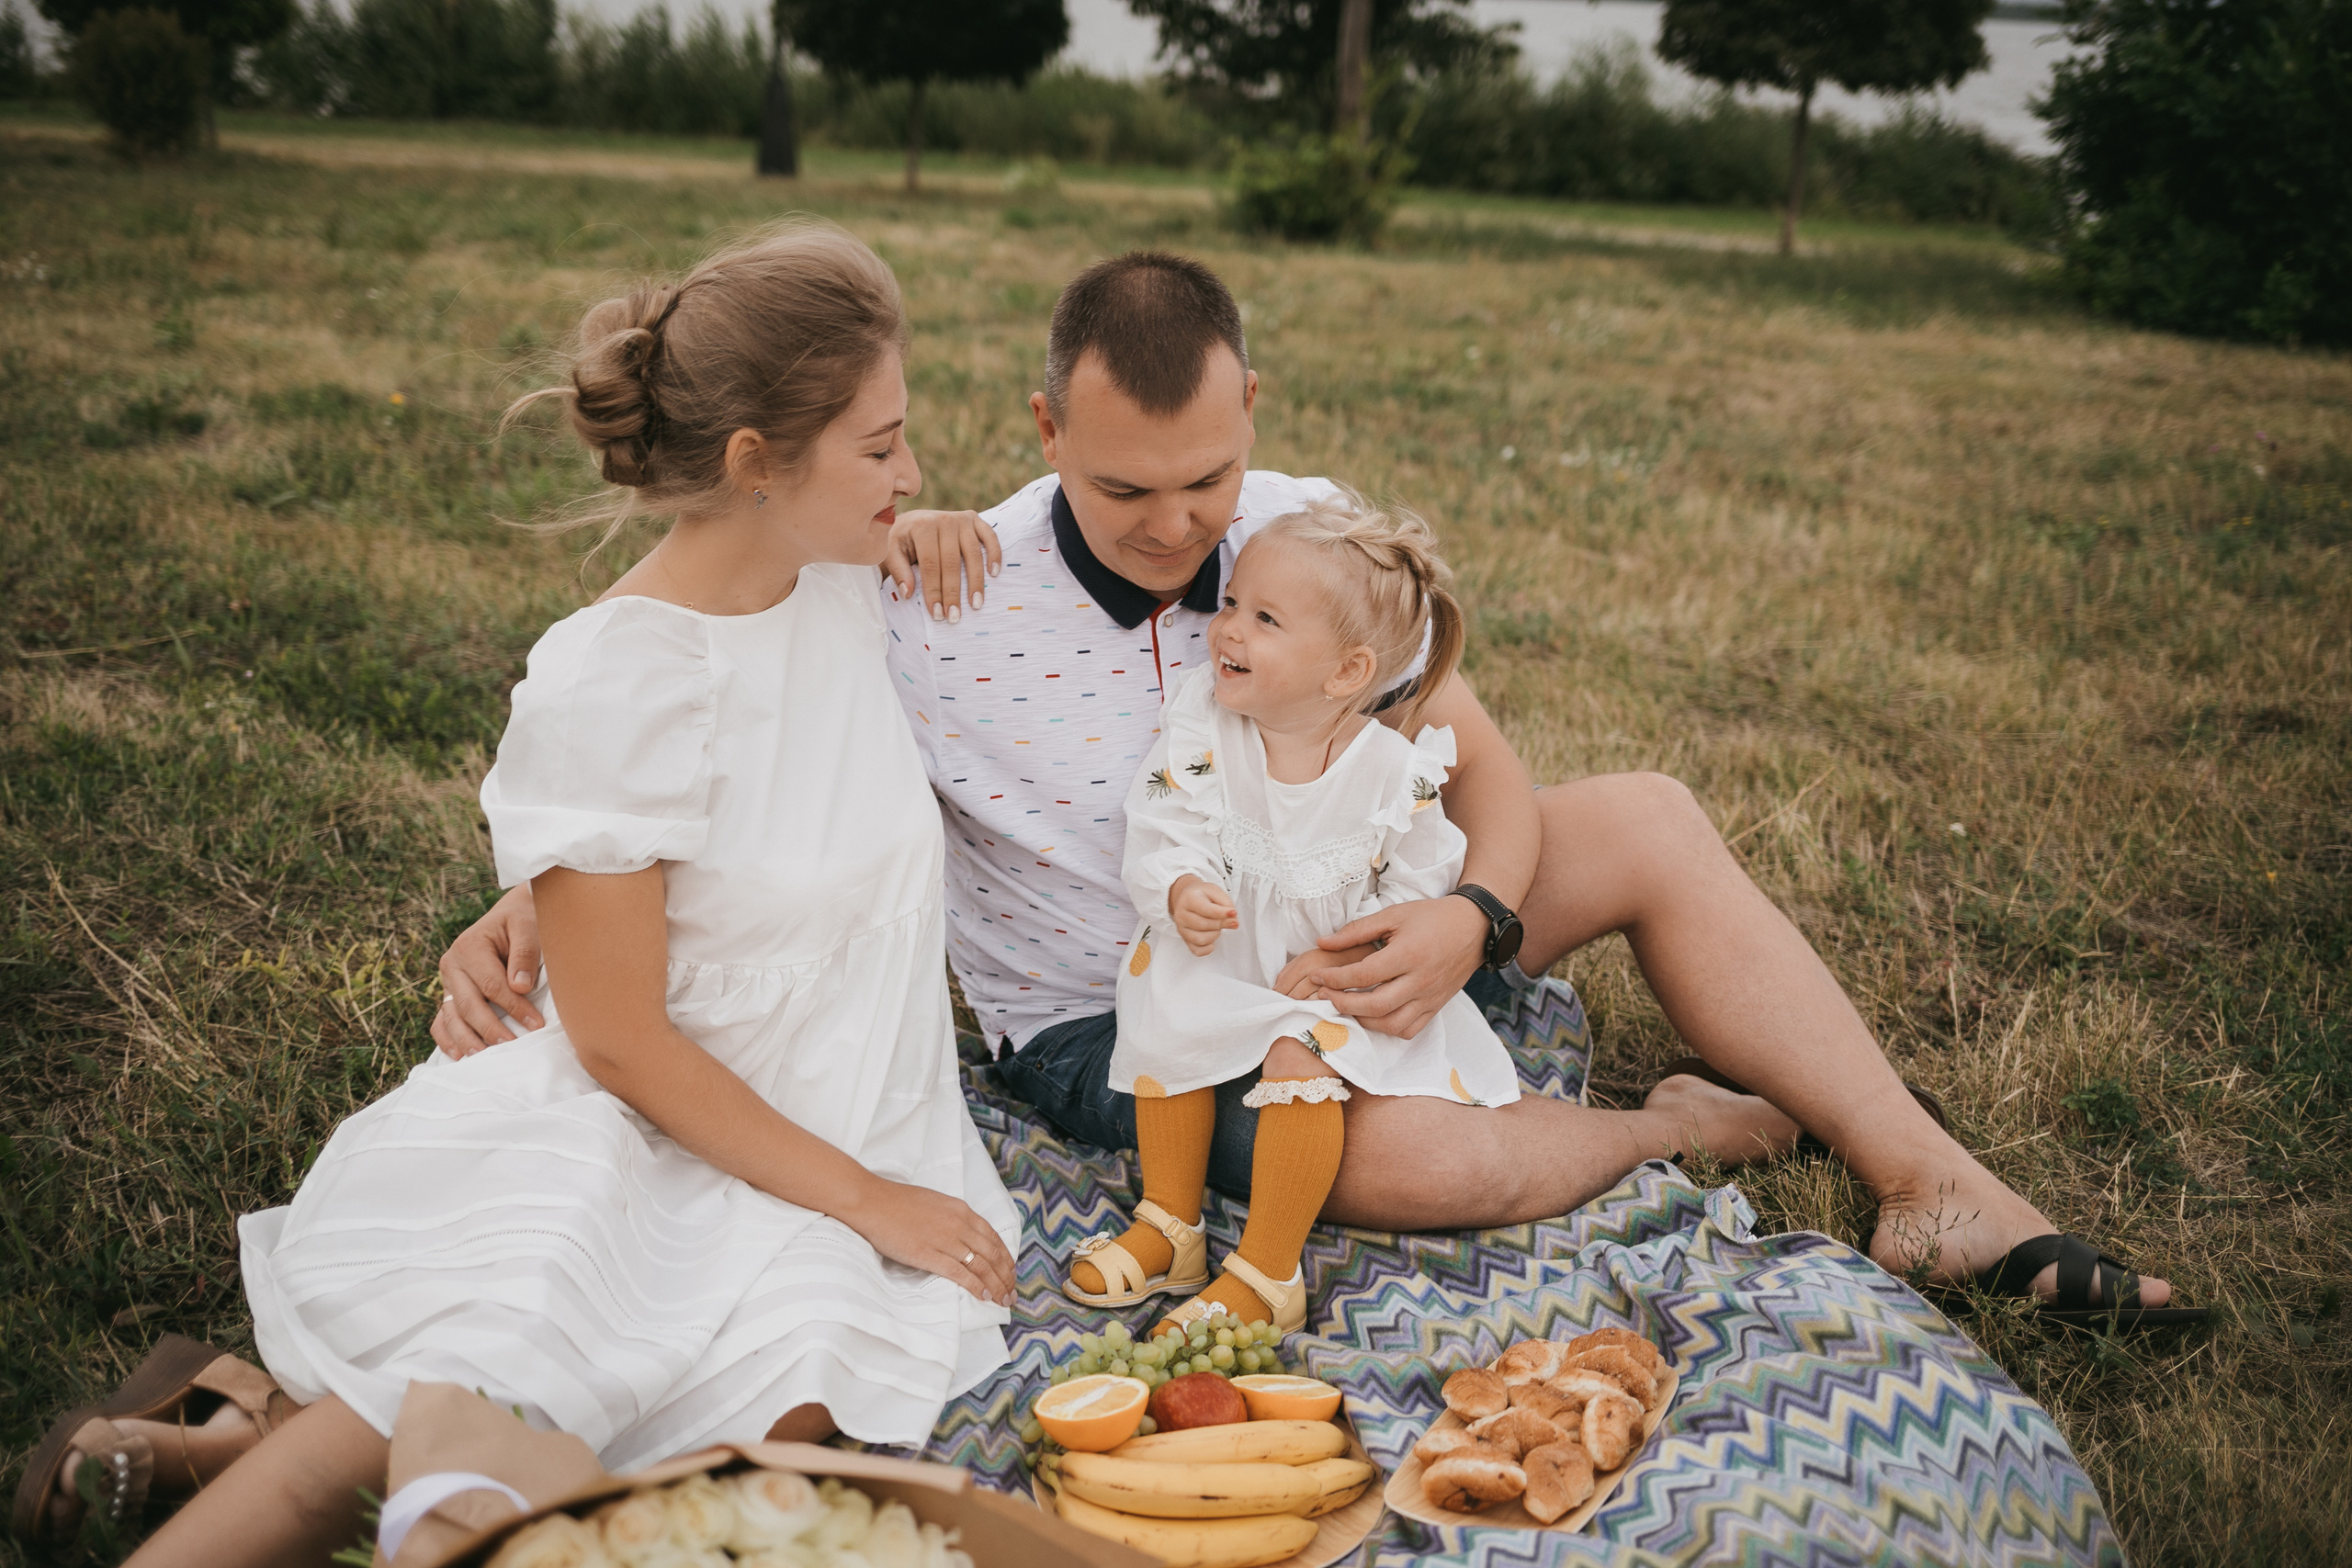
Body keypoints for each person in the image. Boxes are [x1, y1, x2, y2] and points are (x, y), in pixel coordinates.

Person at [434, 251, 2190, 1333]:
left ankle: (1935, 1185)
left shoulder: (1304, 532)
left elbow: (1485, 773)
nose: (1180, 527)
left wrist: (1471, 916)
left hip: (1370, 914)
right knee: (1399, 1157)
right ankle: (1683, 1122)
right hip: (1125, 1007)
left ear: (1254, 412)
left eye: (1207, 475)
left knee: (1644, 808)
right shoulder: (936, 598)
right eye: (1126, 488)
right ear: (1044, 427)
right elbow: (731, 748)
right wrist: (519, 904)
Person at [18, 221, 1022, 1563]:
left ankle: (215, 1439)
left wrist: (924, 520)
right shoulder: (620, 676)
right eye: (884, 444)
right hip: (657, 1106)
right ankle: (237, 1496)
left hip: (836, 1095)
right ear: (754, 465)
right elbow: (618, 1039)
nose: (917, 471)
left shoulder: (843, 573)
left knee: (761, 1415)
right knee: (510, 1337)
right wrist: (867, 1197)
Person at [1072, 491, 1521, 1338]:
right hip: (1232, 950)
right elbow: (1164, 808)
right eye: (1232, 602)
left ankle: (1270, 1269)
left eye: (1265, 618)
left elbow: (1421, 880)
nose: (1229, 629)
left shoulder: (1395, 772)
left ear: (1347, 671)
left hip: (1335, 979)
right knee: (1168, 987)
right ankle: (1172, 1224)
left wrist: (1347, 965)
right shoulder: (1206, 719)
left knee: (1296, 1051)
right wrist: (1179, 885)